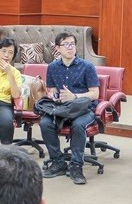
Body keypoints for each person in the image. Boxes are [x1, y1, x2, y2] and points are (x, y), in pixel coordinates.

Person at [39, 32, 100, 186]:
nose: (70, 47)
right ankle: (58, 162)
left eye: (72, 44)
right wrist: (54, 96)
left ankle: (76, 166)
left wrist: (75, 97)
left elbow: (95, 93)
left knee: (78, 125)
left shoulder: (87, 66)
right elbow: (52, 90)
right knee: (45, 123)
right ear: (58, 48)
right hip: (62, 108)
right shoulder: (52, 67)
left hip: (83, 108)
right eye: (66, 44)